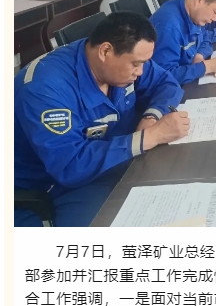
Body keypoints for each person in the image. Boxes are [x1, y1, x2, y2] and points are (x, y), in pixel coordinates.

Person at [14, 12, 190, 227]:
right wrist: (148, 137)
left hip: (112, 158)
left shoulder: (122, 58)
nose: (141, 71)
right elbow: (70, 166)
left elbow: (167, 84)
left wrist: (151, 116)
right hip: (55, 184)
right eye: (136, 64)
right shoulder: (45, 89)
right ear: (105, 51)